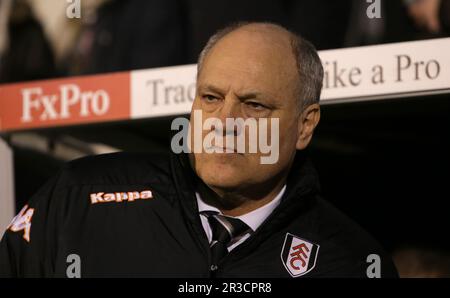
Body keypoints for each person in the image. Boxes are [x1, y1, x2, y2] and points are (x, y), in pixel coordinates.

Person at [0, 22, 398, 278]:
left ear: (305, 125)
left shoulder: (350, 262)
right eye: (210, 97)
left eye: (254, 105)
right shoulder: (79, 198)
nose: (223, 122)